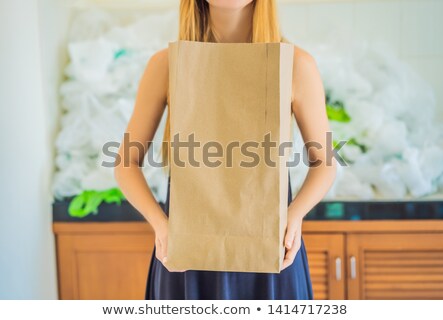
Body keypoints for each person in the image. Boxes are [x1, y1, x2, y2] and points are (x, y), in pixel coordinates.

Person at [114, 0, 337, 300]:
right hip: (186, 258)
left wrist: (293, 217)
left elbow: (325, 162)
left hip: (270, 252)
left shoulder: (296, 65)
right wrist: (161, 226)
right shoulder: (165, 65)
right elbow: (125, 162)